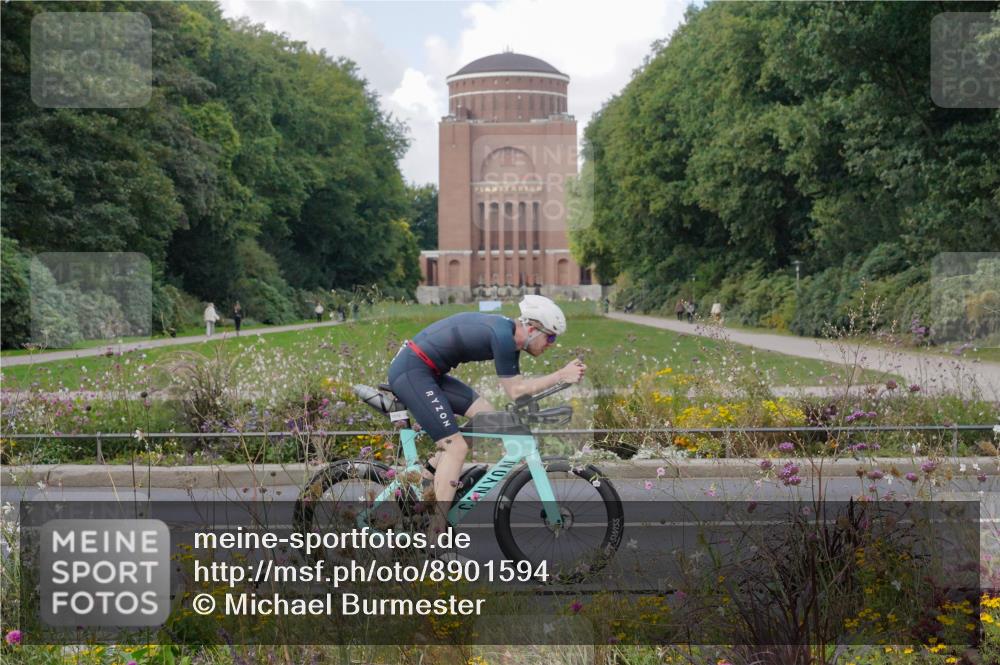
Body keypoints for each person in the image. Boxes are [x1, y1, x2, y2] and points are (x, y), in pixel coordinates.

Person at [387, 295, 585, 538]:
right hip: (412, 371)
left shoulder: (510, 340)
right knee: (456, 448)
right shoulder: (503, 337)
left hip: (428, 371)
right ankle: (436, 530)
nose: (551, 344)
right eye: (551, 337)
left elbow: (519, 393)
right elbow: (516, 391)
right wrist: (560, 375)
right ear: (532, 329)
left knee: (487, 417)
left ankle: (428, 477)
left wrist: (559, 384)